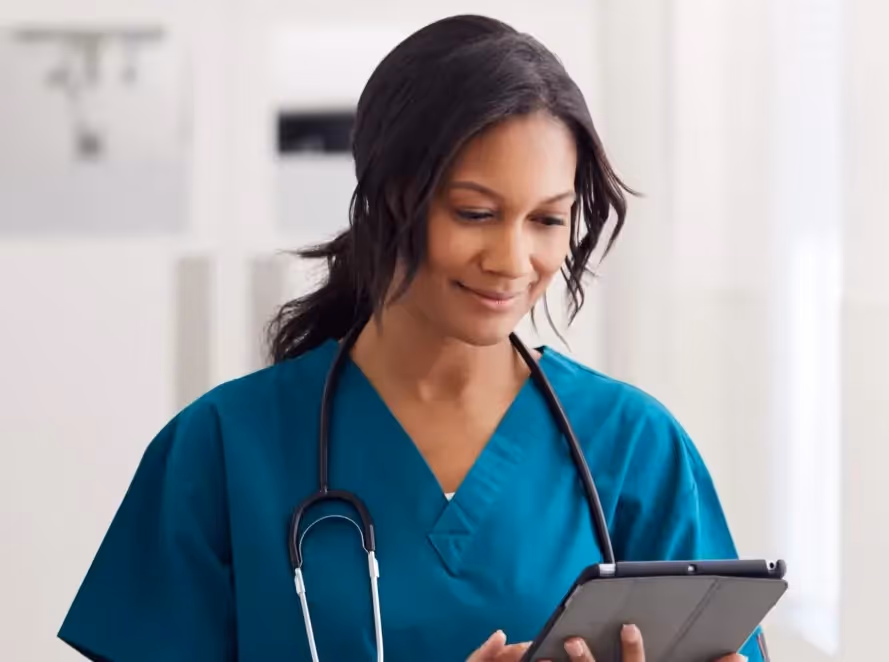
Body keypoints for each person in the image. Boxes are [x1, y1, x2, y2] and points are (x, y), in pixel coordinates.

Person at [58, 14, 771, 662]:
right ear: (388, 197)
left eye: (548, 220)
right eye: (474, 212)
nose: (512, 260)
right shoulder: (219, 449)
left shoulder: (633, 448)